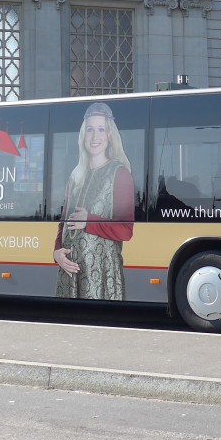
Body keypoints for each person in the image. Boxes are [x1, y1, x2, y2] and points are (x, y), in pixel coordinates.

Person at [53, 102, 135, 300]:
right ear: (83, 136)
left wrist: (89, 221)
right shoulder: (75, 175)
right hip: (69, 275)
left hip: (102, 276)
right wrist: (56, 253)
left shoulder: (120, 174)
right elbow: (63, 223)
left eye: (101, 129)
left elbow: (126, 230)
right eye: (90, 129)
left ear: (109, 135)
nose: (95, 136)